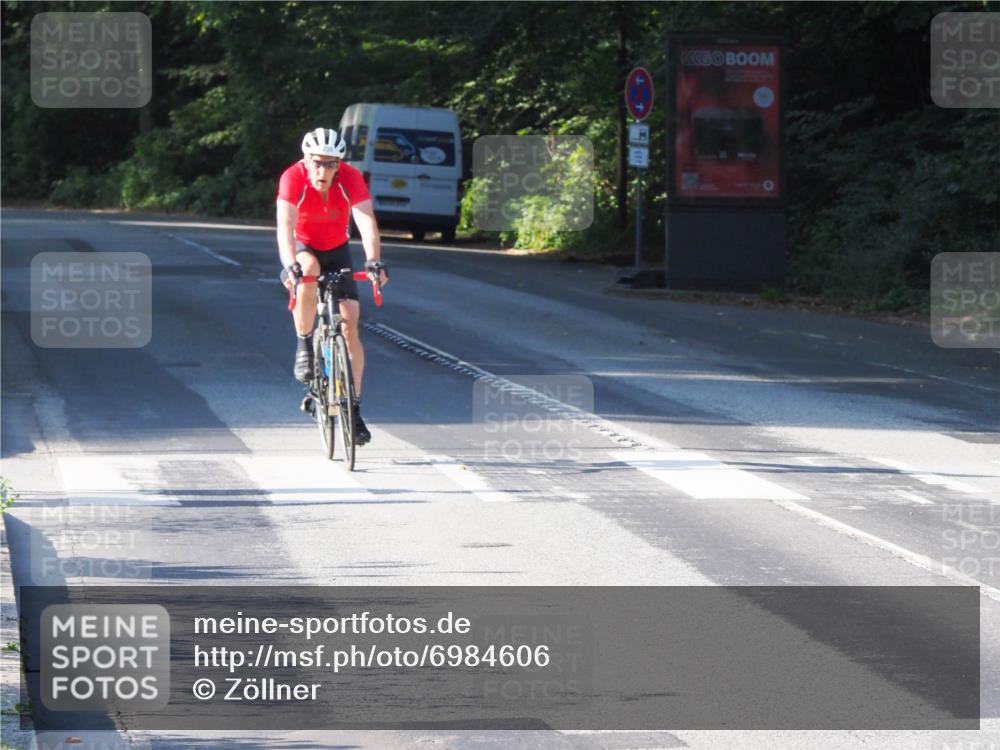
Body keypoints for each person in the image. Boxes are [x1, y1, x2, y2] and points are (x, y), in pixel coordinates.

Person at [276, 127, 388, 445]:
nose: (322, 170)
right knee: (309, 269)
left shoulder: (350, 177)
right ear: (305, 160)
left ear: (340, 164)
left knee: (350, 317)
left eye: (330, 164)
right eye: (317, 162)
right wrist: (290, 266)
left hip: (337, 247)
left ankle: (353, 408)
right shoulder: (292, 178)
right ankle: (303, 344)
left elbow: (366, 219)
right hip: (303, 246)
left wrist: (374, 260)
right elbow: (284, 226)